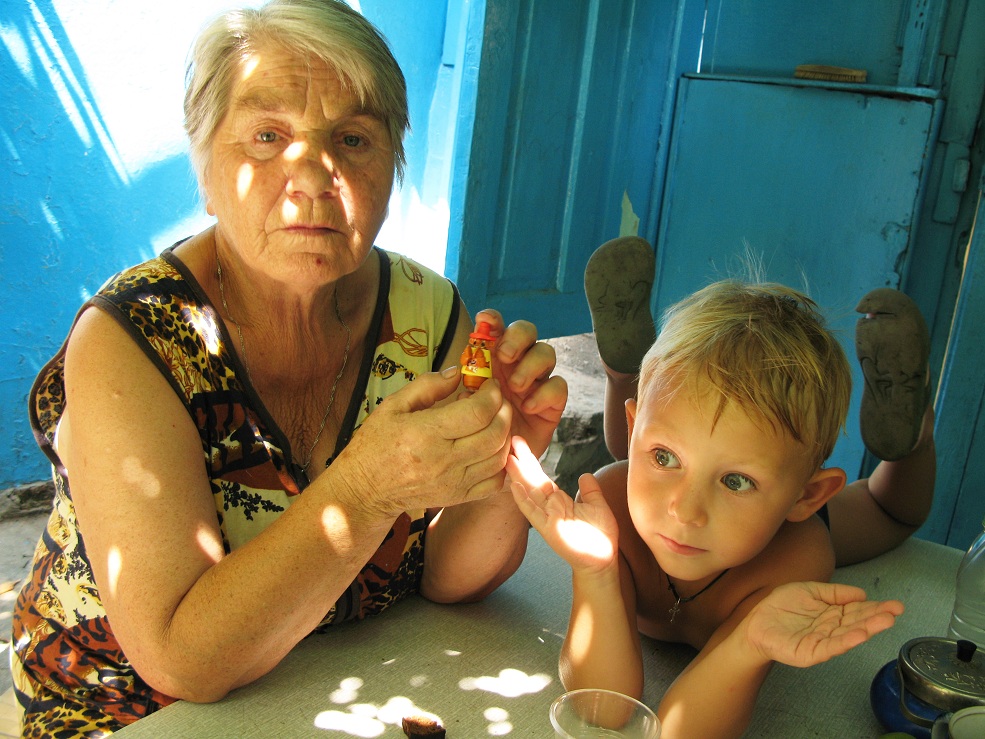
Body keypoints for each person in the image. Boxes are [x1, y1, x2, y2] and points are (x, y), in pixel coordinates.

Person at [10, 2, 566, 736]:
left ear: (391, 165)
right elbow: (183, 660)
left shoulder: (426, 315)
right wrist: (367, 488)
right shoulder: (135, 339)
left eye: (353, 138)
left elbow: (448, 576)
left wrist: (503, 458)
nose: (314, 175)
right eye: (267, 136)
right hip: (127, 709)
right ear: (206, 170)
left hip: (334, 676)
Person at [507, 238, 935, 739]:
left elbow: (683, 731)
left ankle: (911, 432)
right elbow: (605, 708)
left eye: (736, 481)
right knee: (632, 453)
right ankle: (624, 373)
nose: (685, 512)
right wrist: (596, 570)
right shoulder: (615, 512)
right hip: (645, 468)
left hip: (781, 533)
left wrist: (747, 643)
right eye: (665, 458)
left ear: (807, 496)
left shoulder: (796, 560)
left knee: (891, 511)